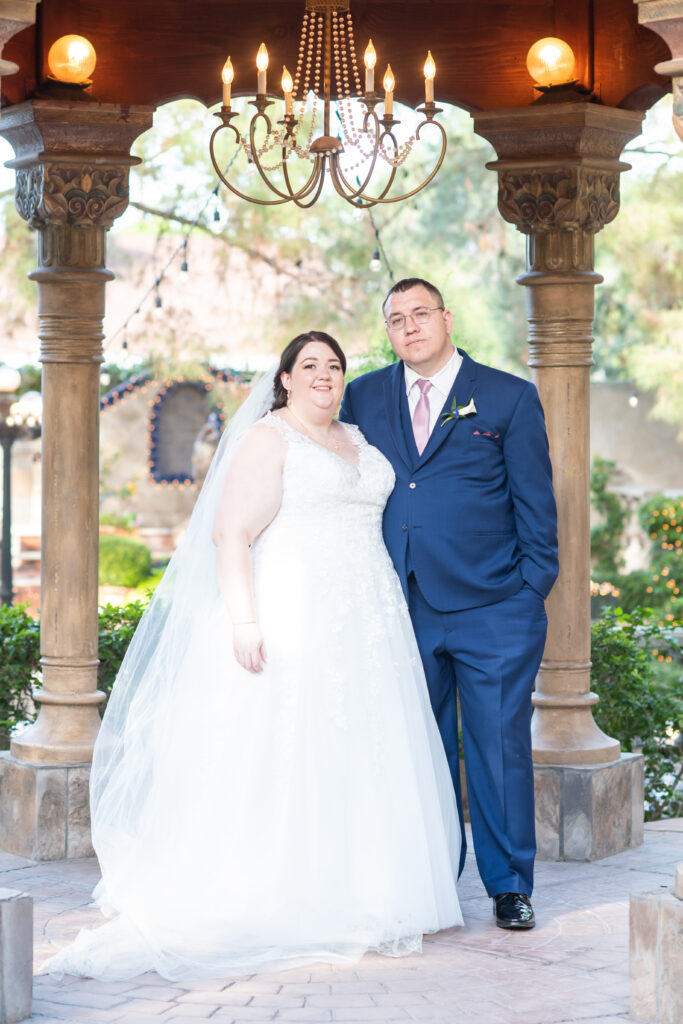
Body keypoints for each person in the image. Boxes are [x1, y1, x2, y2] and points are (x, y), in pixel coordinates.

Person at [44, 331, 463, 982]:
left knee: (359, 749)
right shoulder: (270, 439)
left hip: (368, 621)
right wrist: (244, 619)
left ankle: (364, 890)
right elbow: (230, 533)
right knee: (287, 748)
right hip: (294, 610)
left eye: (333, 365)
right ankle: (278, 892)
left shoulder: (357, 442)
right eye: (309, 366)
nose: (323, 374)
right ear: (286, 379)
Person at [340, 279, 558, 930]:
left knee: (496, 747)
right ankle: (430, 881)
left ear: (446, 319)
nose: (409, 327)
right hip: (399, 603)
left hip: (494, 607)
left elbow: (536, 506)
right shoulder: (362, 396)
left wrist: (528, 593)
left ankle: (508, 886)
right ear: (388, 331)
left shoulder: (506, 396)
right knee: (418, 749)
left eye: (420, 314)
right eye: (396, 319)